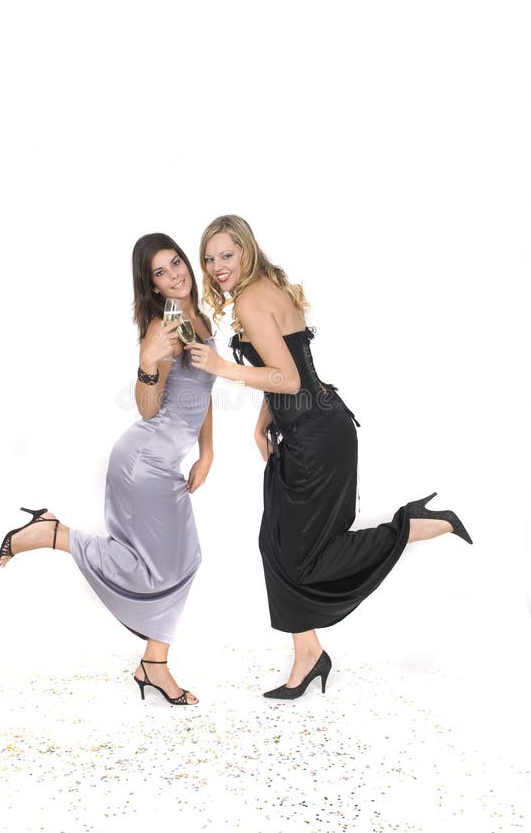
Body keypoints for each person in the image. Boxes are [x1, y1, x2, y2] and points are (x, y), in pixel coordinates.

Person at [187, 214, 472, 700]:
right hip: (312, 427)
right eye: (209, 259)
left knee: (303, 555)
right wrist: (263, 423)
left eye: (226, 256)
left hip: (315, 435)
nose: (216, 266)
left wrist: (220, 366)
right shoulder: (262, 288)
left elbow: (289, 379)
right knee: (278, 544)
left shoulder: (253, 298)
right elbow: (283, 366)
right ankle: (308, 654)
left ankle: (419, 524)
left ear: (246, 251)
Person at [0, 234, 216, 706]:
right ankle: (53, 535)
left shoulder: (199, 317)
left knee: (182, 561)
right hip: (145, 460)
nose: (175, 274)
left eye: (176, 262)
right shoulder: (167, 325)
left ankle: (153, 665)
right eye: (161, 271)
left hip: (165, 459)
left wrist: (209, 451)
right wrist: (145, 363)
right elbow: (148, 408)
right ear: (152, 285)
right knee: (164, 565)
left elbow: (203, 389)